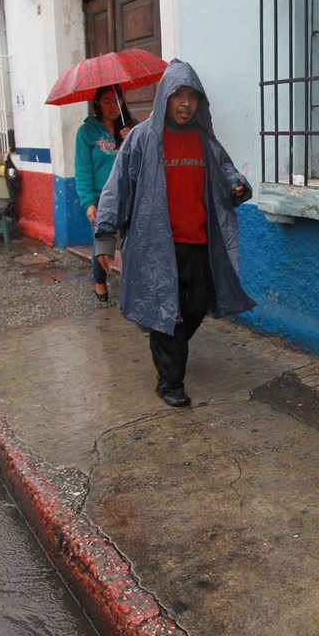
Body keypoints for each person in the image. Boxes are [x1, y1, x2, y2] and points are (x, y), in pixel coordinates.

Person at [93, 59, 255, 408]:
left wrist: (238, 187)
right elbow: (116, 187)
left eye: (192, 96)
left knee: (193, 308)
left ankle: (169, 343)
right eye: (177, 94)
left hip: (198, 245)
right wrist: (105, 236)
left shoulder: (204, 142)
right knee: (168, 313)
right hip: (156, 247)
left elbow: (227, 174)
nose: (185, 103)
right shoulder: (141, 139)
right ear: (164, 97)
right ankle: (170, 382)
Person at [75, 85, 133, 303]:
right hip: (101, 199)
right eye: (106, 100)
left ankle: (132, 284)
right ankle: (100, 281)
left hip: (128, 196)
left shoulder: (130, 129)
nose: (112, 106)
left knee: (130, 244)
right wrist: (88, 202)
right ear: (97, 103)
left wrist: (132, 139)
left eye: (116, 100)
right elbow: (82, 169)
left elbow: (142, 161)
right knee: (103, 244)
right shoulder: (87, 132)